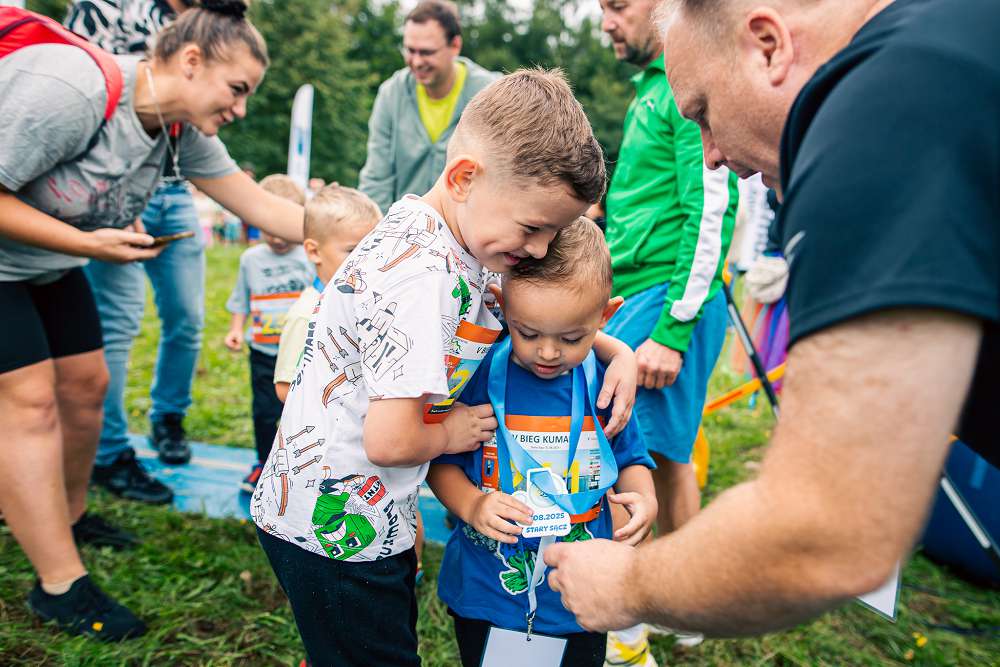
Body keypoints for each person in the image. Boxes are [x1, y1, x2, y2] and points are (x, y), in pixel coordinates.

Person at [545, 0, 1000, 637]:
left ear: (768, 46)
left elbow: (826, 529)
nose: (710, 156)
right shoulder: (945, 40)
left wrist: (625, 585)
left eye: (704, 114)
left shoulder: (875, 117)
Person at [251, 68, 643, 666]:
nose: (539, 250)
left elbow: (527, 317)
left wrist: (617, 352)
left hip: (358, 512)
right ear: (464, 177)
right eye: (533, 228)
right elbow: (390, 441)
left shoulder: (446, 235)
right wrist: (454, 431)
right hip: (333, 532)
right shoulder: (422, 279)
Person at [0, 1, 303, 641]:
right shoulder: (75, 90)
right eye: (237, 89)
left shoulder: (179, 132)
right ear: (191, 61)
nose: (241, 109)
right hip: (23, 258)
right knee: (28, 401)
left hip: (45, 262)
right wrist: (87, 244)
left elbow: (267, 210)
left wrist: (395, 235)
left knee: (87, 387)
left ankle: (67, 517)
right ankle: (59, 585)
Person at [427, 218, 657, 667]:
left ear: (605, 316)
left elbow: (631, 457)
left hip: (582, 594)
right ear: (502, 305)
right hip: (485, 590)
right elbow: (440, 463)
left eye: (571, 338)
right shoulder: (477, 376)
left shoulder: (606, 385)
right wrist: (472, 505)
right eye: (528, 333)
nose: (548, 352)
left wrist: (645, 499)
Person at [596, 0, 739, 649]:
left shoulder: (684, 86)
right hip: (641, 292)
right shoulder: (648, 88)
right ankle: (683, 607)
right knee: (663, 455)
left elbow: (709, 206)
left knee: (637, 453)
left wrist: (672, 330)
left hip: (666, 301)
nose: (607, 21)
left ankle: (640, 614)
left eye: (617, 5)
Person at [64, 0, 206, 506]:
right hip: (111, 191)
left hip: (176, 188)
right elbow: (79, 90)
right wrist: (117, 199)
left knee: (188, 318)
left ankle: (168, 417)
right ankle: (109, 452)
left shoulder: (213, 23)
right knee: (118, 324)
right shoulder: (107, 8)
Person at [357, 0, 498, 214]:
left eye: (426, 52)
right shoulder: (391, 94)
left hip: (467, 227)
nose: (416, 61)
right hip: (405, 225)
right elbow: (377, 178)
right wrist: (379, 228)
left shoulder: (489, 93)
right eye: (410, 50)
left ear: (455, 46)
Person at [224, 174, 314, 493]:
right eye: (268, 229)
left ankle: (301, 467)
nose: (276, 238)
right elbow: (241, 299)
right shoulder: (250, 259)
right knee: (264, 413)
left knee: (301, 413)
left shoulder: (309, 256)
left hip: (301, 355)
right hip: (263, 354)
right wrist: (236, 329)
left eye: (282, 228)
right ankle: (263, 463)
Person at [272, 184, 381, 404]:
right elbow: (284, 388)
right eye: (352, 250)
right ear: (314, 251)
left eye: (373, 248)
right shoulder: (306, 315)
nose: (366, 260)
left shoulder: (365, 299)